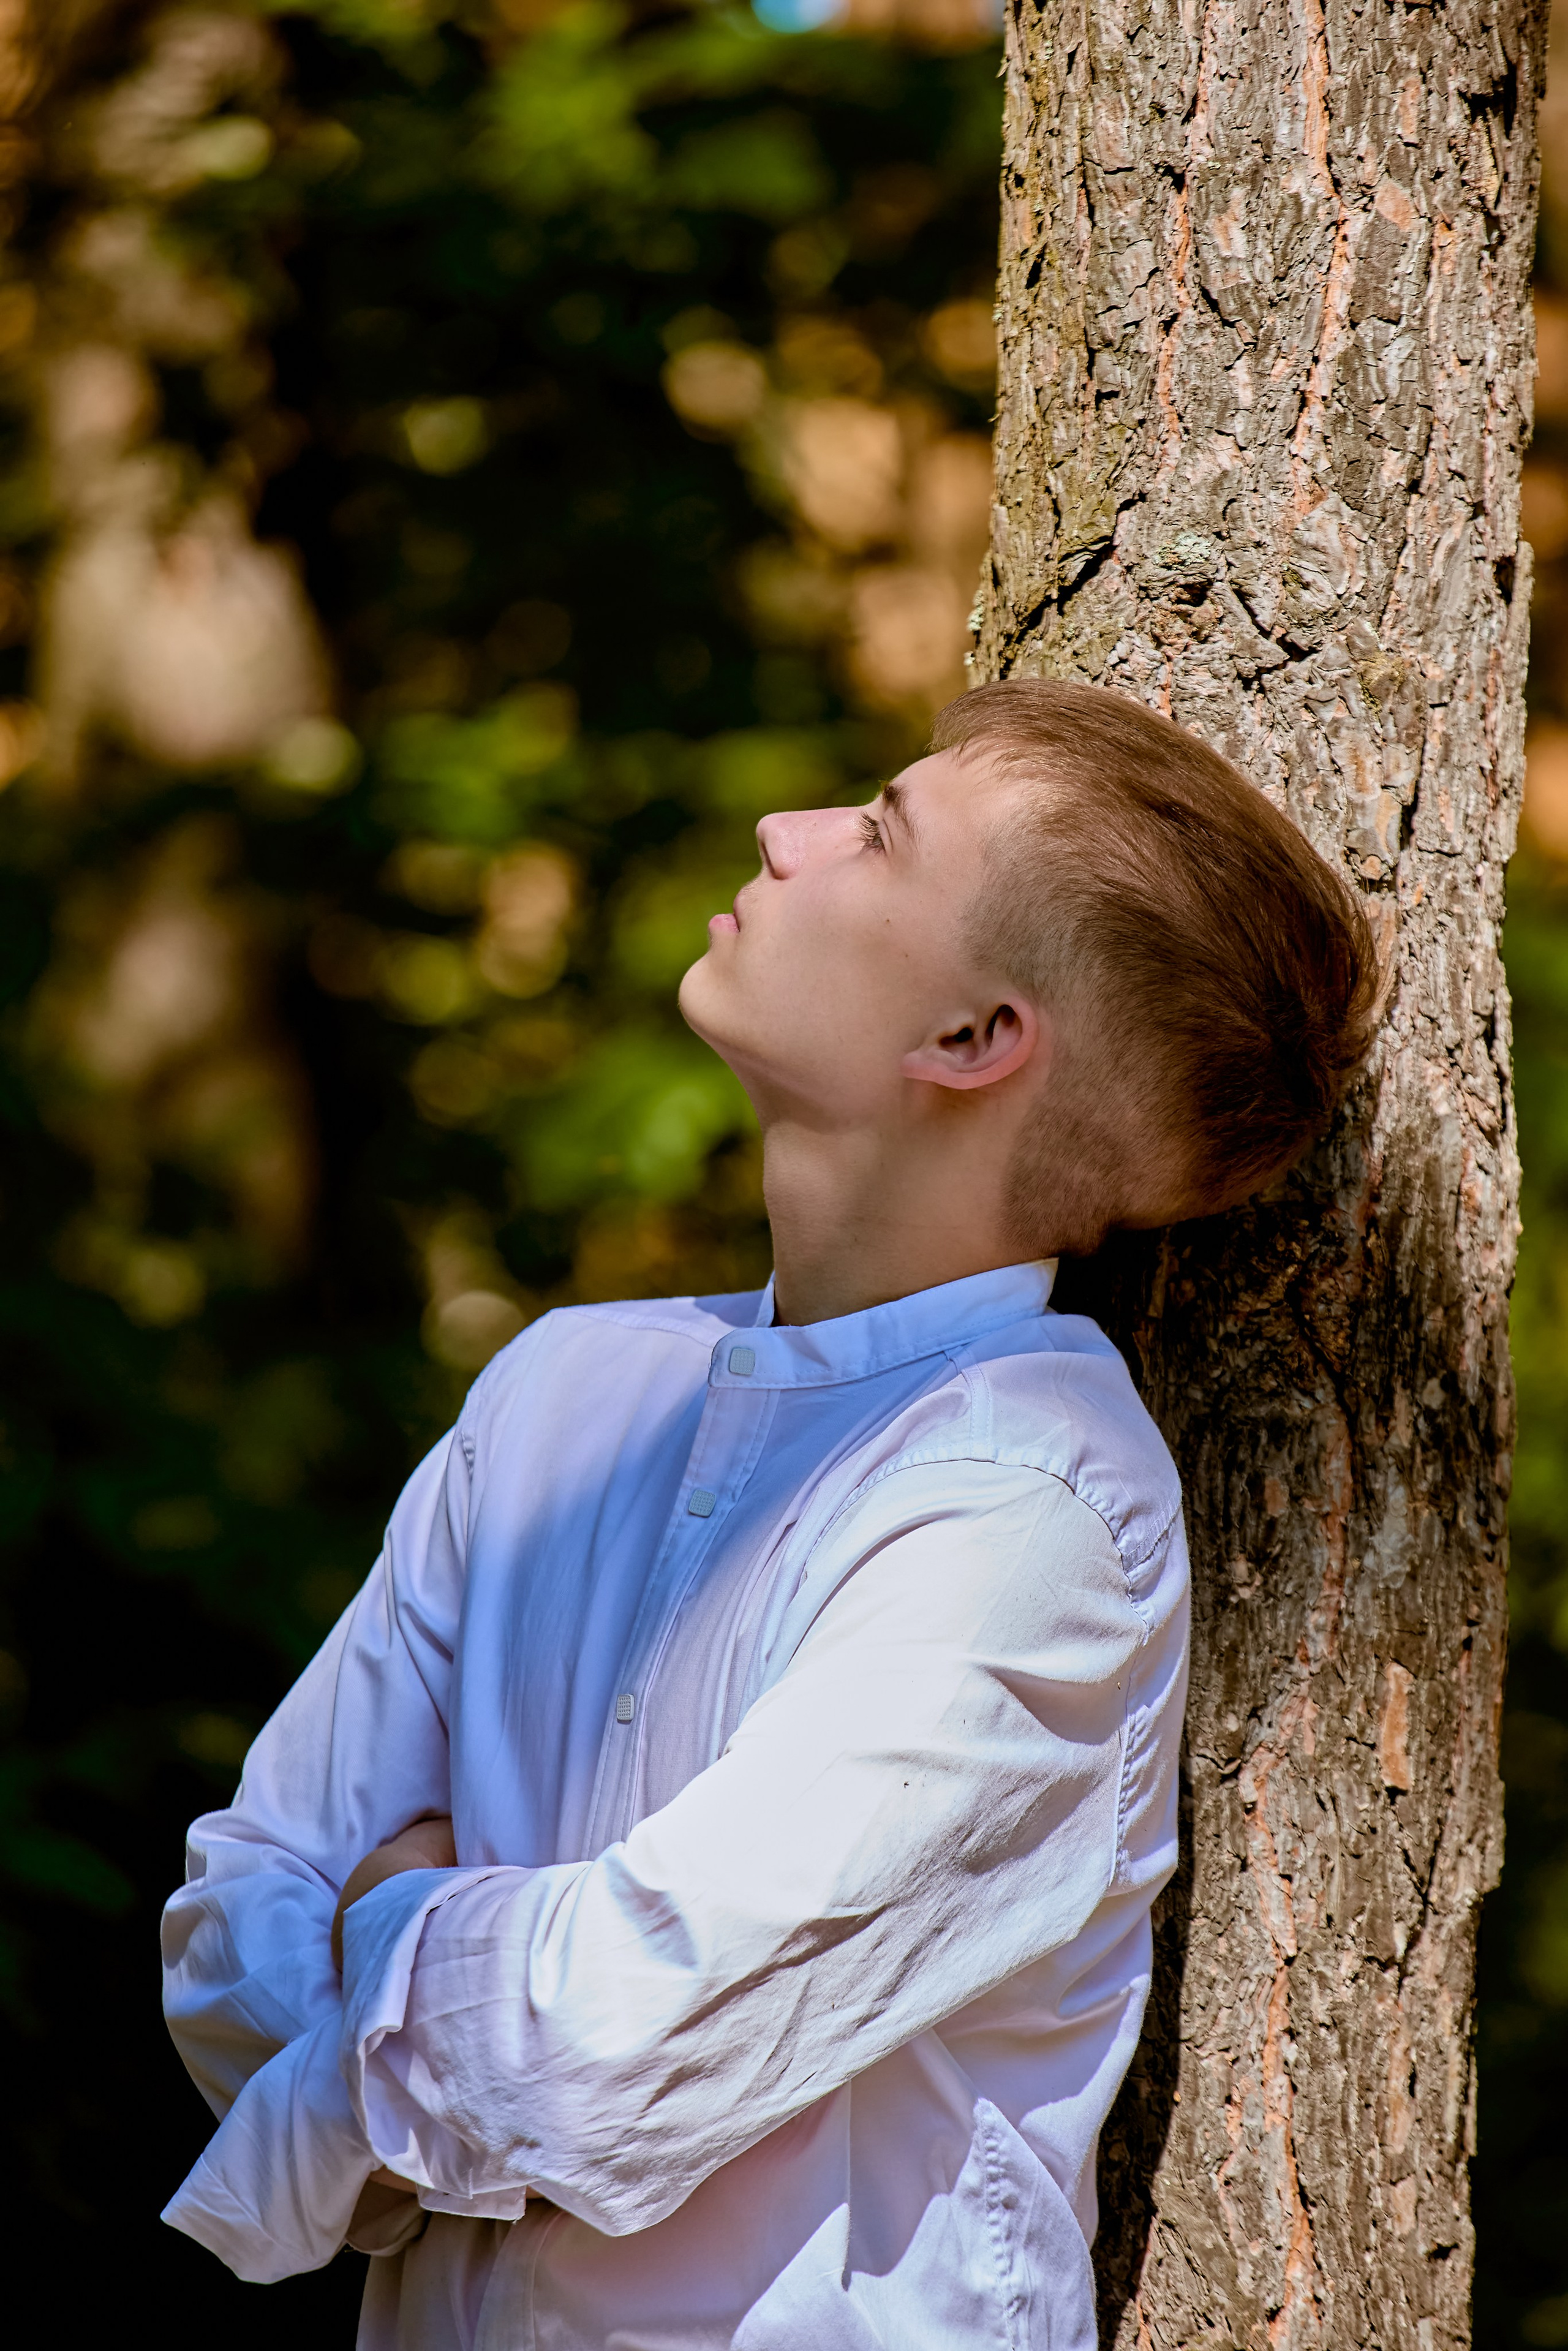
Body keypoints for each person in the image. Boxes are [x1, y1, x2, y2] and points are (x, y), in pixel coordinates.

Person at [161, 677, 1376, 2349]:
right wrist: (434, 2052)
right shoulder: (561, 1393)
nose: (785, 835)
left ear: (972, 1043)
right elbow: (233, 1913)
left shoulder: (1031, 1506)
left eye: (877, 833)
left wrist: (384, 1923)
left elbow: (605, 2049)